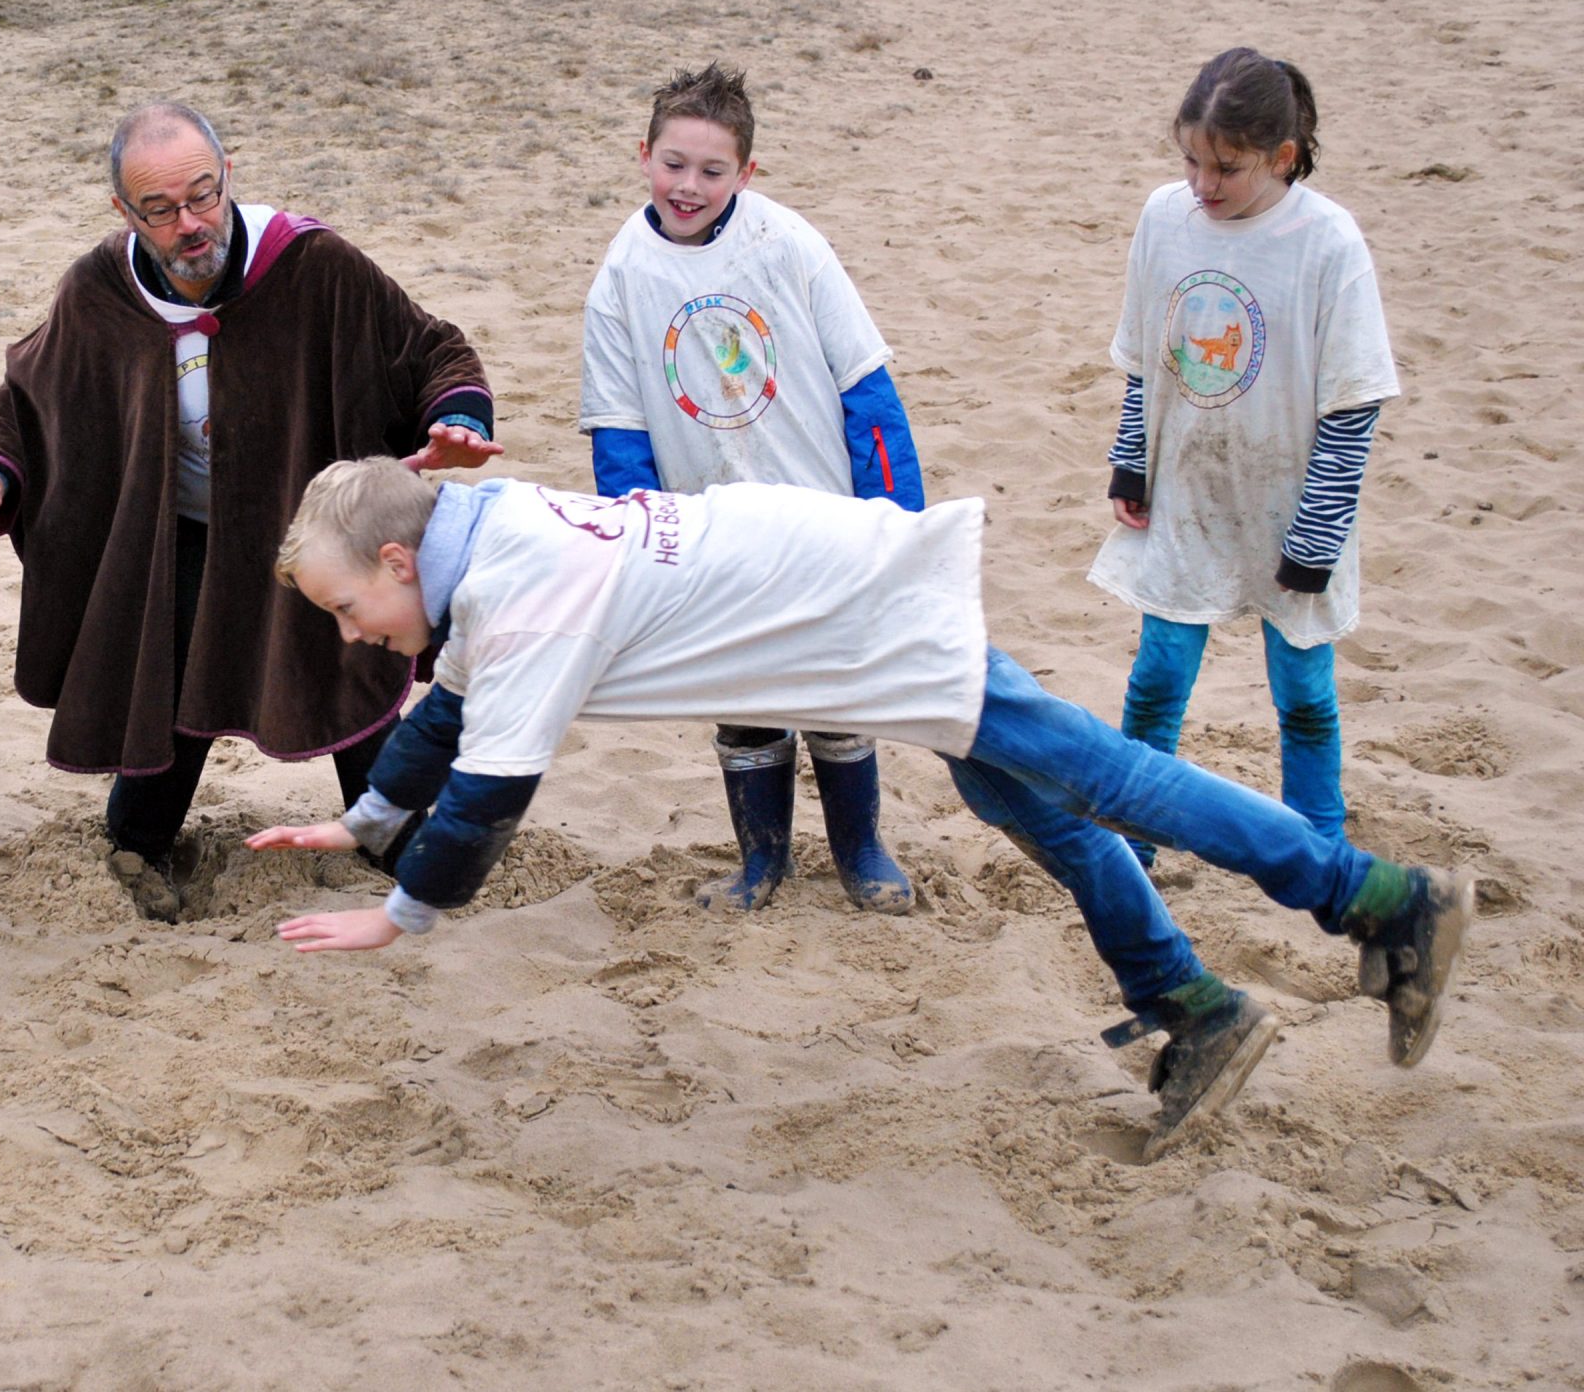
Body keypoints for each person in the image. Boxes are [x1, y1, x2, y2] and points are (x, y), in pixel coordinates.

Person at [249, 460, 1474, 1156]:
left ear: (399, 560)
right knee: (1032, 804)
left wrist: (404, 911)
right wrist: (363, 826)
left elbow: (493, 785)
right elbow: (447, 717)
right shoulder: (485, 536)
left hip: (858, 613)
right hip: (834, 592)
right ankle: (1192, 1003)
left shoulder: (519, 587)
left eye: (347, 606)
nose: (353, 632)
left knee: (1102, 776)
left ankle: (1377, 897)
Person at [0, 101, 499, 903]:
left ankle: (393, 835)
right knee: (171, 677)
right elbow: (29, 400)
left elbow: (431, 349)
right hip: (179, 532)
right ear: (124, 212)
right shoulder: (102, 290)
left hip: (311, 524)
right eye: (160, 210)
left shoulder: (312, 265)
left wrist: (457, 417)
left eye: (204, 194)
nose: (190, 223)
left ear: (228, 176)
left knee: (352, 672)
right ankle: (138, 844)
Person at [577, 62, 924, 914]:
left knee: (837, 694)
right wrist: (644, 541)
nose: (687, 186)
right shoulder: (622, 276)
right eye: (672, 164)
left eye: (712, 170)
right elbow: (620, 433)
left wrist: (897, 521)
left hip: (823, 517)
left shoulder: (787, 243)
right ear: (643, 155)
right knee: (745, 700)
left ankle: (861, 851)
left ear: (747, 173)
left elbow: (867, 390)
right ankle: (763, 861)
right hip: (713, 529)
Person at [1095, 49, 1396, 860]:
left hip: (1292, 501)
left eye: (1226, 168)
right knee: (1158, 675)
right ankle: (1137, 839)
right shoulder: (1165, 217)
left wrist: (1317, 538)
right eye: (1191, 160)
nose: (1204, 184)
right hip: (1189, 487)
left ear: (1282, 157)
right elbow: (1144, 354)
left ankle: (1317, 844)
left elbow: (1355, 401)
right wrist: (1134, 461)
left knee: (1302, 693)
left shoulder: (1328, 242)